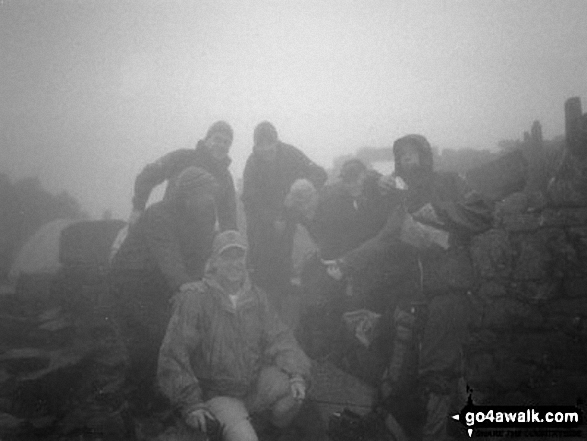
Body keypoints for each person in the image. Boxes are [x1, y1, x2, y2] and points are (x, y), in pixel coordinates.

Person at [327, 134, 493, 440]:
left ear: (425, 156)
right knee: (441, 373)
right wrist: (346, 262)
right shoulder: (404, 201)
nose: (407, 161)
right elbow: (384, 240)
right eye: (401, 157)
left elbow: (483, 212)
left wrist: (441, 214)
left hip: (451, 293)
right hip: (418, 299)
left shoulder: (451, 181)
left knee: (435, 376)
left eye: (412, 154)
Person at [158, 230, 312, 441]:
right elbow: (174, 355)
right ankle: (229, 427)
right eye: (226, 256)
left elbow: (280, 338)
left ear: (245, 259)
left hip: (252, 386)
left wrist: (297, 374)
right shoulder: (194, 298)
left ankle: (262, 428)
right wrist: (191, 404)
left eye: (238, 256)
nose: (234, 263)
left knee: (295, 394)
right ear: (214, 261)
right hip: (217, 395)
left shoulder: (258, 297)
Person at [110, 166, 219, 416]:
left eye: (212, 194)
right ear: (188, 194)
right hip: (131, 281)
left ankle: (159, 392)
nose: (211, 198)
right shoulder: (159, 214)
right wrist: (182, 283)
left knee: (168, 333)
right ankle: (140, 401)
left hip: (159, 283)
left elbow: (200, 253)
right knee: (151, 336)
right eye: (205, 193)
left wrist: (195, 282)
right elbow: (166, 252)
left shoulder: (202, 215)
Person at [241, 121, 328, 310]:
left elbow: (319, 173)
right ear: (255, 146)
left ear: (276, 141)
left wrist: (303, 188)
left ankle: (283, 293)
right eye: (260, 145)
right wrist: (274, 217)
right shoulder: (252, 163)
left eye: (269, 143)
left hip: (290, 210)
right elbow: (249, 199)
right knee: (261, 258)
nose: (266, 149)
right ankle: (260, 299)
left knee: (284, 251)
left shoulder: (290, 153)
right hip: (261, 218)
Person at [130, 120, 237, 231]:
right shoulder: (182, 158)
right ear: (206, 140)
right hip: (167, 228)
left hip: (201, 239)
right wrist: (138, 208)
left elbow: (229, 216)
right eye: (217, 139)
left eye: (227, 142)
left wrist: (230, 240)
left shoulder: (226, 178)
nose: (221, 145)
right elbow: (148, 175)